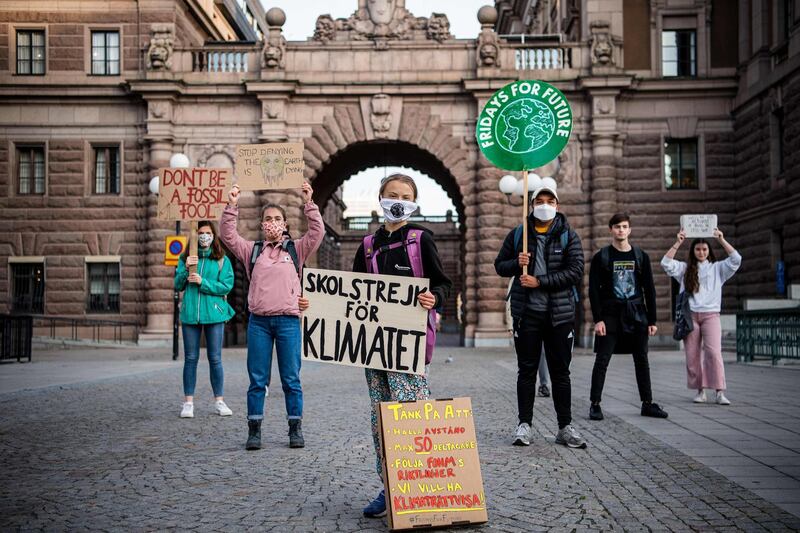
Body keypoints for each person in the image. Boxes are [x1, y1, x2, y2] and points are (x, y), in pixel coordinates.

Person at [352, 174, 452, 518]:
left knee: (411, 412)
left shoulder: (421, 240)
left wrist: (433, 297)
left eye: (405, 196)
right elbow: (349, 294)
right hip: (373, 343)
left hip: (408, 342)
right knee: (380, 415)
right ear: (380, 197)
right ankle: (389, 486)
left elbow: (442, 283)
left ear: (414, 201)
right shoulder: (367, 246)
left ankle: (420, 486)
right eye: (392, 194)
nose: (398, 200)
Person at [220, 181, 324, 450]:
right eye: (268, 219)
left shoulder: (296, 249)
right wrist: (232, 204)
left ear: (286, 224)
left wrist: (309, 203)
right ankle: (254, 430)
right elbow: (228, 235)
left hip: (288, 322)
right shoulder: (251, 251)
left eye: (278, 219)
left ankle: (295, 429)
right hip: (259, 323)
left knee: (291, 379)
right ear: (262, 224)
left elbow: (317, 232)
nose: (273, 222)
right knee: (257, 380)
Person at [494, 182, 586, 449]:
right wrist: (516, 263)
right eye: (540, 201)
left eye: (550, 201)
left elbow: (575, 271)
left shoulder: (569, 235)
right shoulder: (518, 235)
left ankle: (565, 426)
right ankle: (524, 425)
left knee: (560, 373)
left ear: (557, 206)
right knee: (526, 371)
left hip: (559, 316)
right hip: (527, 315)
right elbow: (499, 266)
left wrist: (540, 281)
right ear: (532, 205)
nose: (545, 205)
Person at [588, 213, 668, 421]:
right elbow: (593, 291)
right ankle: (595, 404)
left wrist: (652, 320)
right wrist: (598, 319)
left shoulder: (641, 256)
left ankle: (647, 403)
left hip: (637, 315)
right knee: (602, 359)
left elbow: (649, 289)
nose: (621, 230)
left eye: (624, 227)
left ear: (630, 230)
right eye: (617, 227)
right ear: (611, 230)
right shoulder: (602, 257)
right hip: (610, 316)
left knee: (642, 359)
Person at [661, 228, 741, 405]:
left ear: (709, 251)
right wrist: (678, 241)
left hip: (711, 315)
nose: (701, 252)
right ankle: (700, 391)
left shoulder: (718, 268)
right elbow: (665, 263)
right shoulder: (684, 269)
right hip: (691, 316)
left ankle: (720, 392)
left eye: (705, 249)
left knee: (714, 353)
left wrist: (721, 239)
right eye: (698, 249)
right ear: (693, 251)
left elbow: (736, 259)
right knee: (692, 355)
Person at [174, 221, 236, 419]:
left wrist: (203, 282)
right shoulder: (185, 258)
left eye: (208, 233)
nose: (204, 236)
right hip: (191, 314)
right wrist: (186, 269)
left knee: (215, 358)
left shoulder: (221, 260)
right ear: (195, 236)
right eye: (200, 233)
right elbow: (177, 285)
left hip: (214, 314)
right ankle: (188, 403)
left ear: (213, 235)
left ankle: (219, 401)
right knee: (190, 359)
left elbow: (226, 286)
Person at [506, 277, 550, 397]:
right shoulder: (516, 277)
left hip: (544, 319)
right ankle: (531, 386)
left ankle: (544, 384)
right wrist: (510, 324)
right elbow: (509, 301)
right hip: (523, 322)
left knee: (543, 354)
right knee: (526, 361)